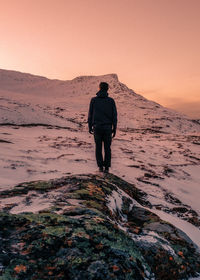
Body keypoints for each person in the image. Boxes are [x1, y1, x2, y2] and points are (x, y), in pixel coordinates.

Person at [88, 82, 117, 173]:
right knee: (107, 148)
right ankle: (107, 168)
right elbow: (114, 116)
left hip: (97, 127)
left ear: (99, 88)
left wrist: (90, 126)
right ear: (107, 89)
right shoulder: (111, 101)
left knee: (98, 147)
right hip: (107, 128)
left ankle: (100, 167)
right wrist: (114, 128)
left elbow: (90, 114)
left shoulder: (94, 100)